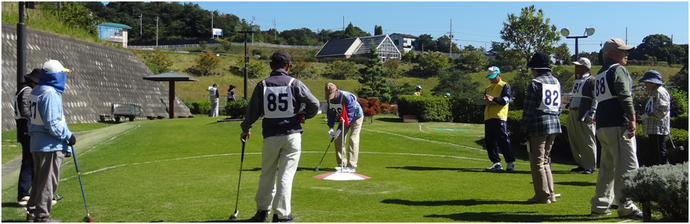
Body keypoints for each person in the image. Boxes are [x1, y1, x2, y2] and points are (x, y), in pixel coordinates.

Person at [240, 50, 320, 222]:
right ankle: (281, 215)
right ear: (289, 66)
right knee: (286, 175)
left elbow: (252, 111)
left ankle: (262, 211)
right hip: (292, 135)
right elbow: (314, 103)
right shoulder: (295, 83)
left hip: (270, 135)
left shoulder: (262, 85)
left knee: (267, 174)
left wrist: (246, 128)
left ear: (271, 65)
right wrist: (304, 115)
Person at [589, 38, 643, 219]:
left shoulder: (601, 72)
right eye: (623, 51)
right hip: (618, 124)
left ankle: (599, 204)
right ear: (612, 53)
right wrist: (632, 117)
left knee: (607, 168)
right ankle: (626, 206)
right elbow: (624, 93)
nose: (626, 54)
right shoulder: (618, 69)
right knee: (627, 167)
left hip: (603, 125)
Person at [26, 60, 75, 222]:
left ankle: (33, 212)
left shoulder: (36, 91)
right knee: (48, 182)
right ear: (56, 76)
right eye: (62, 73)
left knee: (39, 180)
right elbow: (53, 124)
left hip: (36, 143)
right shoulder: (50, 94)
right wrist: (68, 136)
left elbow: (31, 120)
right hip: (50, 146)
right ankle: (42, 216)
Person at [519, 52, 561, 204]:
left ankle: (542, 196)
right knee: (545, 160)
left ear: (536, 69)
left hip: (538, 125)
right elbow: (559, 107)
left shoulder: (535, 83)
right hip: (554, 123)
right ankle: (550, 193)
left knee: (536, 161)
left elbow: (528, 109)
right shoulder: (556, 82)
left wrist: (523, 130)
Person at [567, 57, 598, 174]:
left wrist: (592, 112)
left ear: (585, 67)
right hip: (573, 112)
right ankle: (581, 163)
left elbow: (596, 97)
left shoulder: (591, 80)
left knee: (587, 139)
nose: (576, 68)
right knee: (575, 139)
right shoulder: (577, 80)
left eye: (578, 66)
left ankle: (590, 165)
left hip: (584, 113)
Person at [15, 69, 41, 206]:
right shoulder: (26, 91)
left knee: (29, 161)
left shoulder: (23, 89)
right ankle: (24, 193)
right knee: (28, 161)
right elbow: (26, 111)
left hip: (24, 128)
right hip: (26, 128)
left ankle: (26, 192)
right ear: (32, 81)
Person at [325, 82, 364, 173]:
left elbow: (349, 117)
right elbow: (331, 114)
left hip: (356, 118)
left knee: (353, 139)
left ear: (336, 91)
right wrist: (331, 127)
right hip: (343, 118)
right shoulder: (330, 99)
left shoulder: (347, 97)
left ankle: (351, 166)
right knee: (338, 139)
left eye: (332, 94)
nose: (331, 97)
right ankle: (342, 164)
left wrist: (339, 129)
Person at [483, 66, 515, 171]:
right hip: (488, 116)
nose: (491, 79)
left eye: (493, 77)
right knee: (490, 142)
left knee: (503, 140)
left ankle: (510, 163)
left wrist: (493, 99)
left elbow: (506, 100)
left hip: (499, 116)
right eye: (490, 77)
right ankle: (496, 163)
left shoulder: (504, 86)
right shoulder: (488, 88)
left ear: (499, 75)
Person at [637, 70, 670, 167]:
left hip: (658, 128)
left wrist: (647, 115)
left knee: (659, 153)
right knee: (655, 153)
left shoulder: (660, 92)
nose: (645, 84)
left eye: (646, 82)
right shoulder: (655, 92)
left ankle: (663, 172)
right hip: (653, 128)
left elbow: (662, 112)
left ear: (653, 82)